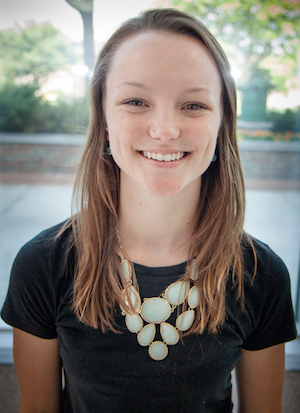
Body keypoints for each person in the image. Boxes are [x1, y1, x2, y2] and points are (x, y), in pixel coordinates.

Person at [1, 8, 297, 413]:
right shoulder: (44, 264)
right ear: (104, 117)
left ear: (222, 122)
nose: (164, 129)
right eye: (136, 101)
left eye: (193, 105)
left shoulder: (261, 275)